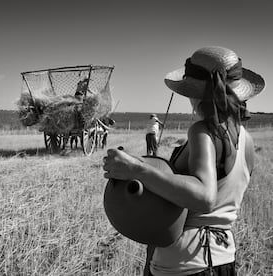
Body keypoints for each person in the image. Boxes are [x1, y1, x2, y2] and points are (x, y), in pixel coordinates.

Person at [102, 46, 265, 275]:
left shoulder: (201, 131)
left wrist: (136, 169)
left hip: (183, 263)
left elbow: (205, 197)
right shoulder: (246, 140)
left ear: (193, 92)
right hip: (223, 258)